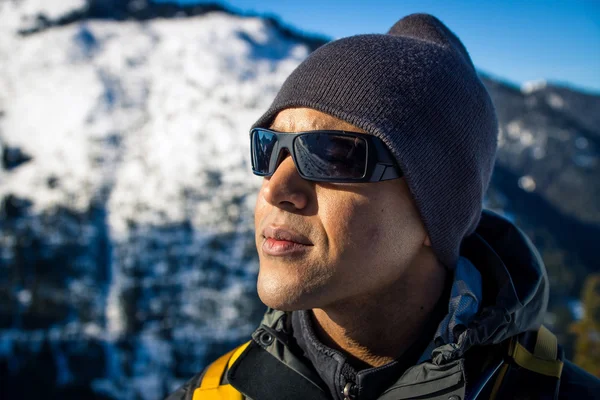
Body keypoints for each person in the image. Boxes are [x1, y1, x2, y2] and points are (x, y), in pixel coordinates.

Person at [167, 13, 600, 400]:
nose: (275, 188)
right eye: (270, 148)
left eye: (333, 155)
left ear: (437, 209)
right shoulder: (210, 394)